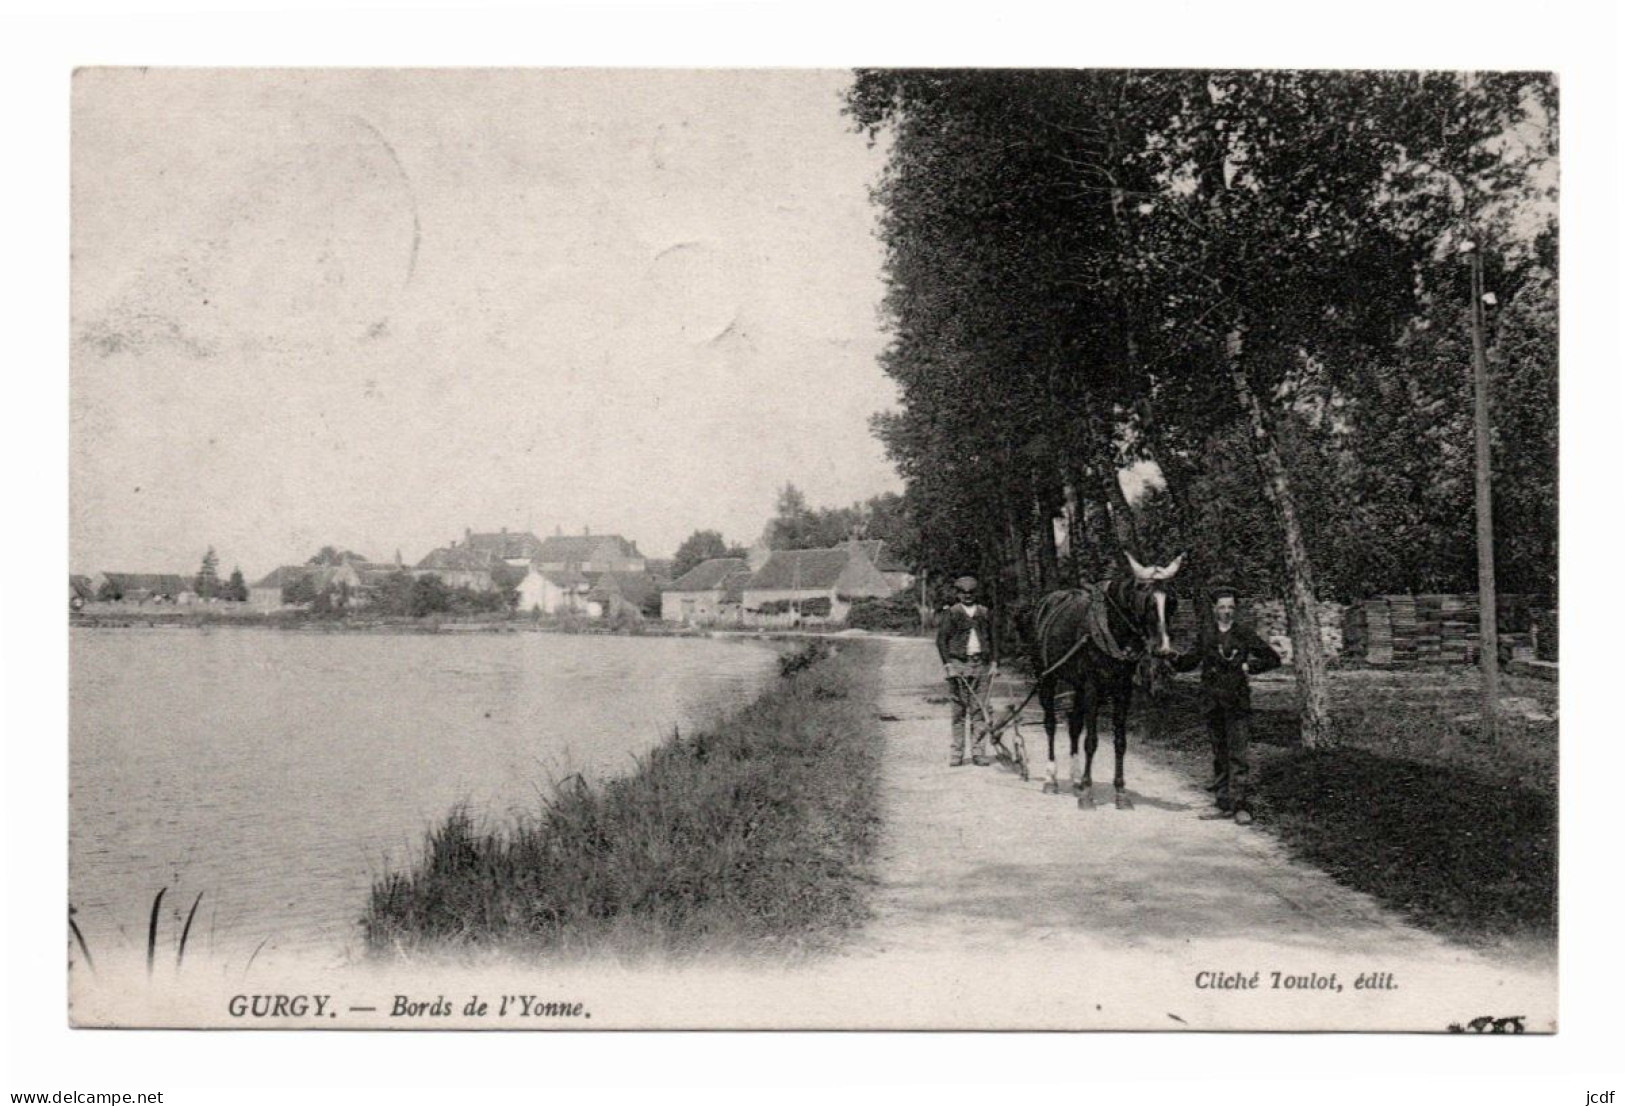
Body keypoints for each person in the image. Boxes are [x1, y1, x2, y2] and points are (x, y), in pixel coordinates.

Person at [1170, 586, 1281, 824]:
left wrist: (1249, 667)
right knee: (1219, 754)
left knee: (1238, 754)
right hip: (1212, 702)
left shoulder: (1244, 633)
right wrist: (1171, 656)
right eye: (1222, 607)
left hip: (1237, 701)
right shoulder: (1206, 634)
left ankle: (1240, 806)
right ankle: (1223, 804)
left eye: (1231, 607)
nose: (1226, 612)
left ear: (1236, 609)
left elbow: (1273, 658)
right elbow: (1189, 662)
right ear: (1214, 609)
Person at [936, 575, 997, 767]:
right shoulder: (952, 613)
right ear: (958, 593)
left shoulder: (984, 613)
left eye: (971, 592)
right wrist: (949, 665)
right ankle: (957, 752)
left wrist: (994, 663)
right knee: (959, 710)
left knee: (979, 709)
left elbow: (994, 639)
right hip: (958, 665)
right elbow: (941, 641)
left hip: (981, 665)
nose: (968, 596)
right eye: (963, 592)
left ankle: (978, 752)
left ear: (976, 593)